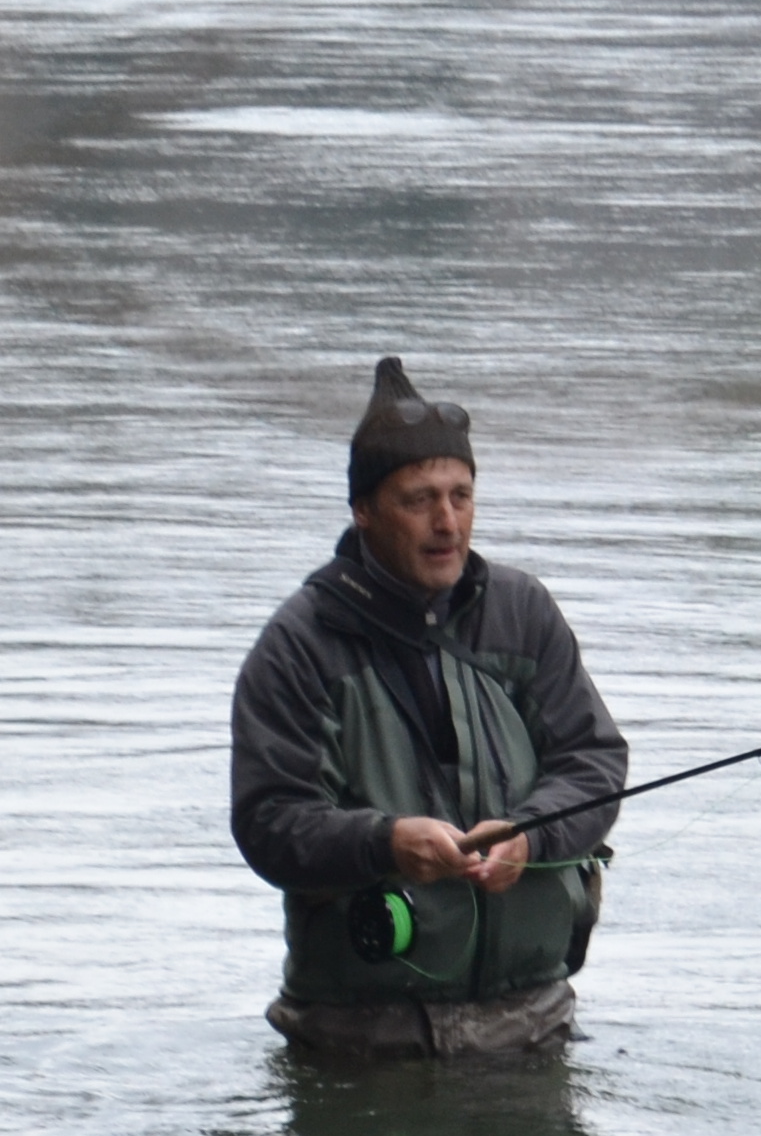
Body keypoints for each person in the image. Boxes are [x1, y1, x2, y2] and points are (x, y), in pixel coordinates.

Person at [230, 358, 627, 1064]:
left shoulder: (523, 612)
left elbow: (593, 762)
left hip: (533, 1026)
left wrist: (531, 836)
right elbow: (269, 823)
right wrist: (386, 843)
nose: (446, 523)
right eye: (418, 500)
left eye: (460, 496)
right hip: (357, 1040)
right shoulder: (298, 645)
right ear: (363, 510)